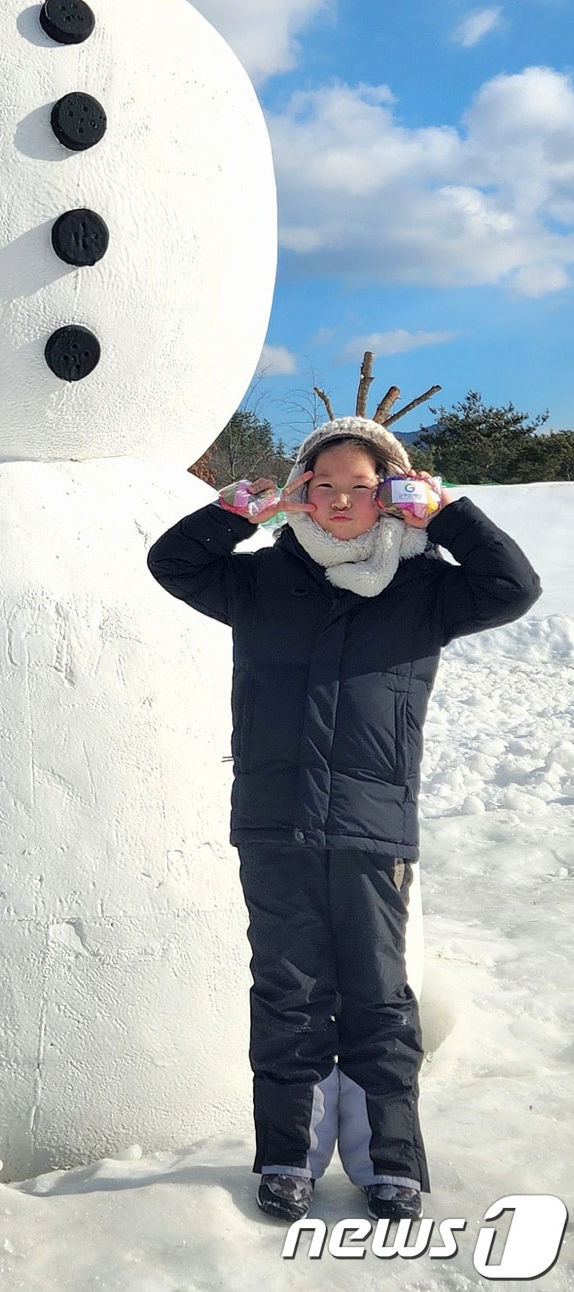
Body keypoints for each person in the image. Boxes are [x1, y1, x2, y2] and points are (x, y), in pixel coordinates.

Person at [146, 416, 540, 1224]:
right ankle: (289, 1156)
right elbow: (172, 563)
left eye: (362, 485)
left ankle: (388, 1161)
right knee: (287, 991)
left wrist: (449, 513)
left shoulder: (427, 588)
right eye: (321, 485)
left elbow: (515, 587)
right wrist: (239, 510)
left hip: (372, 824)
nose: (339, 501)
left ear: (392, 491)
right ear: (301, 491)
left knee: (378, 995)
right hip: (274, 822)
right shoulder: (258, 581)